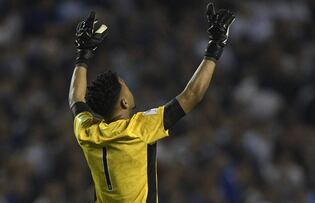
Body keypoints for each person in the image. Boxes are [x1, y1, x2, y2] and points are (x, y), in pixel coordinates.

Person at [68, 3, 235, 203]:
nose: (129, 88)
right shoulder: (137, 129)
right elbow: (192, 95)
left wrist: (82, 55)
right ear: (123, 102)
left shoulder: (87, 131)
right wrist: (215, 46)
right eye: (125, 85)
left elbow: (76, 99)